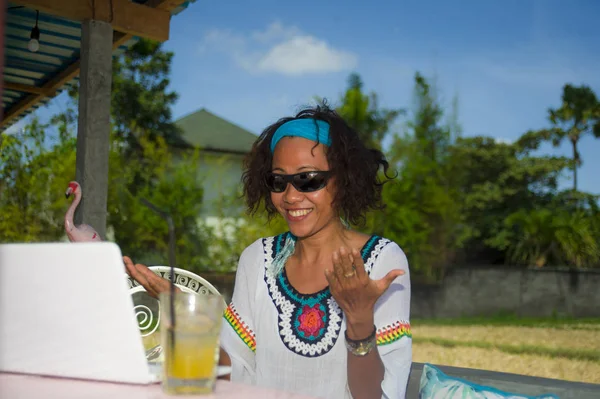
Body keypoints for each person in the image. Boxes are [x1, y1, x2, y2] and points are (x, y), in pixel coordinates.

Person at [124, 104, 412, 399]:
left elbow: (376, 395)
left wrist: (360, 319)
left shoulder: (381, 261)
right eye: (278, 181)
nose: (290, 196)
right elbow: (235, 373)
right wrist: (191, 319)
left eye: (308, 179)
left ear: (343, 179)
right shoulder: (257, 260)